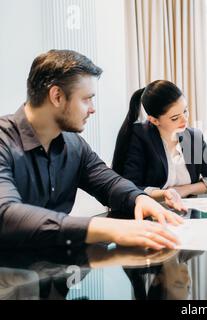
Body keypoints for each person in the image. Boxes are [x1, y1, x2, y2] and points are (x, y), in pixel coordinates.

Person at [0, 50, 183, 250]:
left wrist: (139, 198)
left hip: (52, 268)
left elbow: (109, 183)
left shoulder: (74, 145)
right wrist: (109, 228)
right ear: (57, 96)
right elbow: (7, 215)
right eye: (86, 99)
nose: (92, 108)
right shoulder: (4, 141)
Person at [112, 80, 207, 208]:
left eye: (185, 111)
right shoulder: (140, 137)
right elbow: (130, 187)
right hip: (150, 213)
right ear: (154, 120)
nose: (185, 119)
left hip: (188, 213)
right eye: (175, 118)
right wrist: (165, 194)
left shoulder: (193, 137)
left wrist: (185, 190)